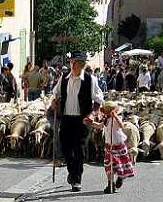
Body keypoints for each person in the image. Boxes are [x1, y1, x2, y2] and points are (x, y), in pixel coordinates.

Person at [51, 51, 104, 192]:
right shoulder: (64, 79)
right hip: (67, 119)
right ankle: (72, 172)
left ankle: (76, 180)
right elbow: (55, 94)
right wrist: (54, 102)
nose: (73, 65)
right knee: (66, 148)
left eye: (76, 62)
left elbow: (99, 99)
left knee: (79, 149)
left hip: (83, 120)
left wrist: (92, 114)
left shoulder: (90, 79)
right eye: (71, 62)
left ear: (82, 64)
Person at [90, 101, 134, 194]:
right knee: (108, 165)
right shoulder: (106, 119)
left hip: (118, 145)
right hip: (109, 145)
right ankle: (111, 184)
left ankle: (120, 177)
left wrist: (115, 116)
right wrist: (90, 122)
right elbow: (99, 126)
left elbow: (121, 126)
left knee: (119, 164)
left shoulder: (115, 119)